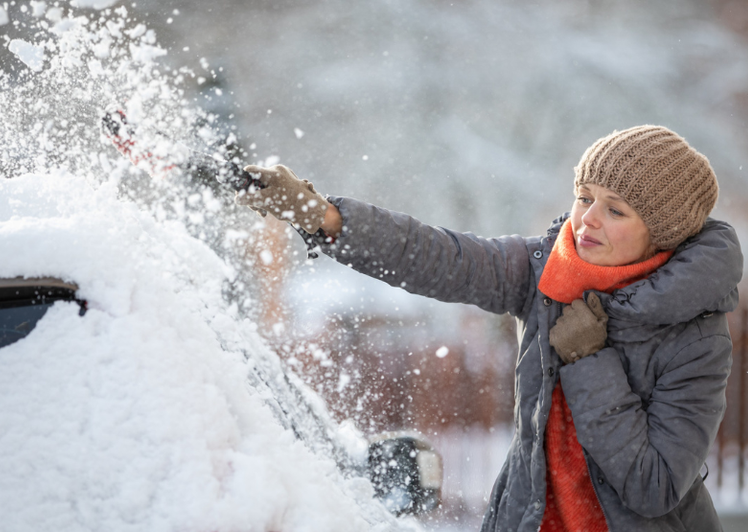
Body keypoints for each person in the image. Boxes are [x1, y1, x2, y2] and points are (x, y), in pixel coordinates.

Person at [235, 125, 743, 531]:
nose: (587, 220)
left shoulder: (696, 338)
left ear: (662, 233)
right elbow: (440, 256)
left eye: (615, 210)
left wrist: (590, 360)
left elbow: (652, 487)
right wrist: (326, 219)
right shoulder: (546, 274)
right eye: (584, 196)